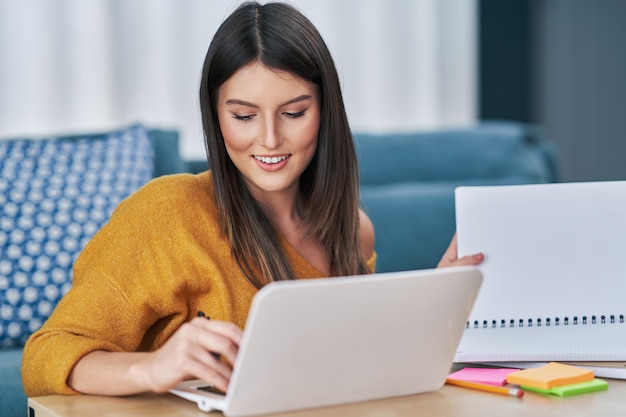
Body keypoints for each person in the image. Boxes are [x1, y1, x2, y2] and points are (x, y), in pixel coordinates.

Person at [22, 1, 482, 398]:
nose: (269, 139)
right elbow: (45, 355)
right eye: (243, 115)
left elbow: (347, 370)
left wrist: (435, 308)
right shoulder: (168, 213)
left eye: (294, 113)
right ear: (216, 116)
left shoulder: (353, 231)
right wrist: (152, 366)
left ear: (325, 112)